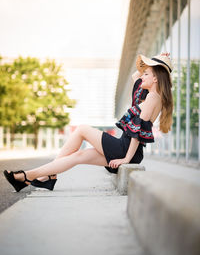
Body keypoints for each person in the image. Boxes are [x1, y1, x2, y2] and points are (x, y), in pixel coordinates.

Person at [4, 53, 173, 192]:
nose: (142, 75)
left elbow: (136, 132)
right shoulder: (149, 95)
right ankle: (31, 177)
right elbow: (136, 74)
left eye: (147, 73)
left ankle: (39, 176)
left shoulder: (151, 98)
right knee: (78, 156)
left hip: (126, 150)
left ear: (156, 78)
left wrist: (126, 159)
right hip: (125, 147)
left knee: (82, 129)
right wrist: (158, 60)